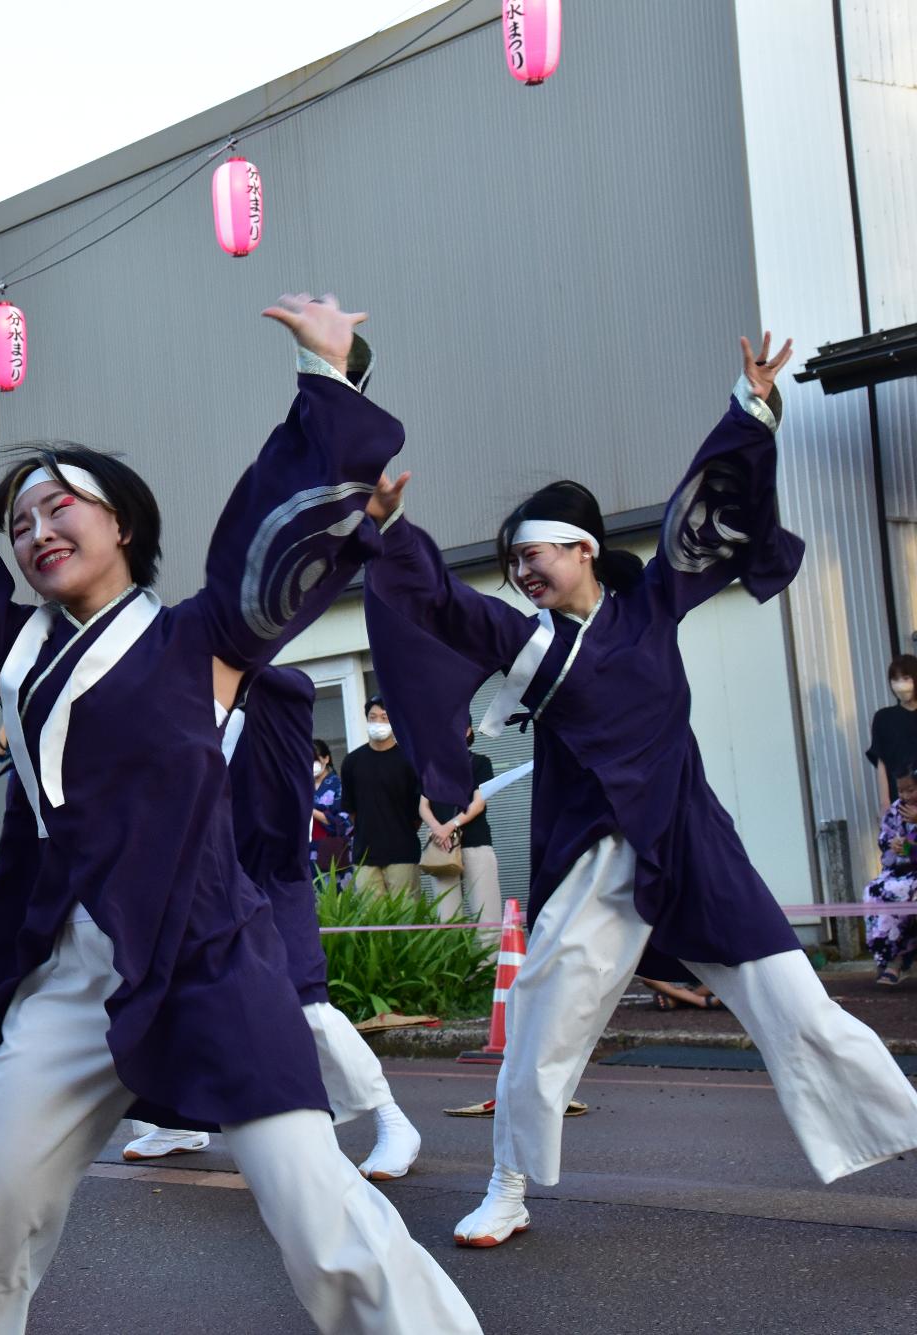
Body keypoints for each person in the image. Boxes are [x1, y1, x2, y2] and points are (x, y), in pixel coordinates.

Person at [0, 297, 481, 1334]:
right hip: (68, 969)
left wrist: (325, 373)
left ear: (121, 522)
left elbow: (267, 534)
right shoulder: (9, 647)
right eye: (19, 522)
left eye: (60, 506)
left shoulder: (202, 635)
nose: (35, 530)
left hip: (206, 956)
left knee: (318, 1213)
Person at [362, 331, 917, 1251]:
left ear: (583, 548)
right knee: (541, 1016)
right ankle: (508, 1183)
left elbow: (707, 505)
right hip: (596, 853)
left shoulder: (655, 602)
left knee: (801, 1005)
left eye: (536, 555)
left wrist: (752, 409)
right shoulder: (531, 644)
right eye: (514, 565)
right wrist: (386, 528)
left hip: (694, 842)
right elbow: (443, 605)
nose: (524, 574)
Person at [125, 668, 421, 1181]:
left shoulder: (275, 691)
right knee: (172, 1001)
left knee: (305, 1002)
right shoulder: (184, 700)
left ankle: (391, 1119)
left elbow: (282, 806)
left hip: (266, 876)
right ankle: (175, 1121)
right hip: (197, 880)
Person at [420, 725, 503, 927]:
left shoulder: (481, 763)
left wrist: (449, 826)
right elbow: (423, 805)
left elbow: (478, 803)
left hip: (476, 843)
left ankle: (490, 960)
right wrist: (438, 828)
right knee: (446, 917)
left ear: (468, 731)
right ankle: (453, 960)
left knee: (486, 914)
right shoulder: (430, 767)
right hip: (441, 846)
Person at [340, 698, 420, 894]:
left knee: (406, 918)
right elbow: (351, 809)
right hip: (365, 854)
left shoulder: (409, 760)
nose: (378, 722)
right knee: (374, 920)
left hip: (403, 852)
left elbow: (417, 813)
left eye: (384, 717)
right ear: (366, 720)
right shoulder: (352, 762)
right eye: (373, 717)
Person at [865, 767, 917, 985]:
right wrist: (894, 844)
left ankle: (899, 960)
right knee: (875, 890)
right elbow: (884, 840)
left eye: (911, 790)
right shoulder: (896, 811)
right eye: (901, 791)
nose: (905, 796)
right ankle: (887, 958)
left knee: (904, 891)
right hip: (901, 870)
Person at [868, 655, 917, 810]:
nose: (900, 685)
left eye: (906, 678)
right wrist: (885, 803)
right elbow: (881, 761)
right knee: (905, 836)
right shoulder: (883, 718)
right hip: (900, 801)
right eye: (895, 680)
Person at [309, 738, 350, 883]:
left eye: (315, 759)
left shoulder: (338, 785)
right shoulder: (303, 786)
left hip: (331, 849)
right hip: (306, 852)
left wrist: (311, 811)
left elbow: (342, 822)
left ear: (326, 759)